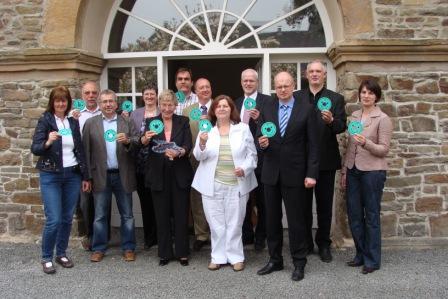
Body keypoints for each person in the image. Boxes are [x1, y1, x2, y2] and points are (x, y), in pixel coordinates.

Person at [256, 72, 319, 282]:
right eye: (279, 86)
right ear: (275, 87)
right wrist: (262, 143)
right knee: (271, 220)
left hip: (296, 173)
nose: (282, 89)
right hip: (271, 173)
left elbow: (313, 145)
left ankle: (299, 262)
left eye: (286, 85)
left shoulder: (307, 109)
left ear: (293, 86)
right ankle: (275, 260)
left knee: (296, 221)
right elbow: (259, 135)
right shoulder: (267, 107)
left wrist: (311, 173)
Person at [192, 95, 258, 272]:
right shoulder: (206, 130)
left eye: (225, 106)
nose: (222, 108)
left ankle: (236, 257)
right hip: (211, 184)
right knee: (216, 223)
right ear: (213, 110)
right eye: (218, 106)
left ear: (231, 110)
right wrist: (202, 142)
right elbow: (199, 156)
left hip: (237, 184)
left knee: (235, 222)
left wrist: (244, 168)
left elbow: (252, 155)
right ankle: (218, 256)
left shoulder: (243, 129)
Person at [31, 86, 90, 274]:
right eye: (57, 100)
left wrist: (85, 176)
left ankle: (61, 253)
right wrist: (48, 141)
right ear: (52, 102)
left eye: (64, 100)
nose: (61, 103)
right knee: (54, 219)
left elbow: (79, 149)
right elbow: (36, 148)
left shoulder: (73, 121)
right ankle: (47, 257)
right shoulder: (46, 120)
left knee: (66, 218)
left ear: (68, 102)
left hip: (72, 174)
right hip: (51, 175)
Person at [293, 60, 347, 262]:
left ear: (324, 75)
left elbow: (342, 126)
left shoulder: (336, 98)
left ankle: (324, 243)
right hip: (302, 160)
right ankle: (306, 242)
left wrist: (331, 121)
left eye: (319, 71)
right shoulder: (297, 97)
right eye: (311, 71)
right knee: (303, 205)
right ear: (306, 74)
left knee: (324, 205)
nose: (315, 74)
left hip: (325, 159)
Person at [341, 79, 392, 274]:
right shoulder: (355, 116)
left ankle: (372, 260)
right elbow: (349, 148)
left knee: (371, 216)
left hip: (372, 173)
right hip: (353, 170)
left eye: (371, 93)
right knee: (354, 215)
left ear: (376, 96)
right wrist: (345, 171)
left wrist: (366, 144)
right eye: (363, 92)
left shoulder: (383, 119)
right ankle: (360, 254)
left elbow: (383, 150)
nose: (366, 96)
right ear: (359, 95)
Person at [83, 89, 138, 263]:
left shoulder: (126, 121)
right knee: (100, 215)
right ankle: (99, 248)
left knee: (127, 214)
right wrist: (87, 177)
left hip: (122, 175)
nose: (108, 104)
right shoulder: (91, 123)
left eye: (111, 101)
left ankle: (128, 247)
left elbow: (137, 143)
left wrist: (128, 141)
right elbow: (86, 152)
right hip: (101, 175)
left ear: (116, 103)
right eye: (104, 101)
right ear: (99, 104)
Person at [141, 89, 193, 266]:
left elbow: (188, 144)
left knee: (180, 214)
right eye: (163, 104)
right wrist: (145, 140)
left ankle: (182, 252)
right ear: (159, 105)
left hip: (179, 172)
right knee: (161, 215)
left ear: (175, 105)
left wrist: (180, 151)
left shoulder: (183, 121)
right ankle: (164, 253)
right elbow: (143, 145)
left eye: (170, 104)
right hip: (158, 174)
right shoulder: (150, 122)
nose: (167, 108)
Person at [235, 68, 272, 251]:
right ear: (241, 82)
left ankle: (261, 237)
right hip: (242, 159)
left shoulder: (267, 101)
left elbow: (273, 127)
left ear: (257, 82)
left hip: (263, 158)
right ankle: (247, 234)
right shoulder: (237, 102)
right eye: (245, 80)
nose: (248, 83)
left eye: (251, 80)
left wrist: (259, 120)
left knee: (264, 200)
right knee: (245, 198)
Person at [182, 78, 212, 251]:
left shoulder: (220, 106)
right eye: (201, 87)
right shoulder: (188, 111)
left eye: (207, 87)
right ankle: (201, 234)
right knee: (197, 197)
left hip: (215, 159)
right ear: (195, 90)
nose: (205, 90)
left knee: (215, 197)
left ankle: (216, 233)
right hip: (193, 159)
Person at [74, 81, 103, 251]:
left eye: (94, 92)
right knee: (85, 203)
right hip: (83, 166)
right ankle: (90, 235)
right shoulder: (76, 115)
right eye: (87, 93)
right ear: (82, 95)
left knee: (102, 202)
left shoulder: (106, 111)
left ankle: (102, 236)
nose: (91, 96)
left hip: (101, 166)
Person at [130, 85, 159, 250]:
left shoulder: (162, 112)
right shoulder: (135, 114)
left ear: (156, 96)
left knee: (159, 202)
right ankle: (149, 237)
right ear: (143, 96)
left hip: (157, 163)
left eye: (152, 94)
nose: (149, 96)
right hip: (141, 164)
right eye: (146, 94)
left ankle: (161, 235)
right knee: (145, 202)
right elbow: (132, 137)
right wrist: (142, 139)